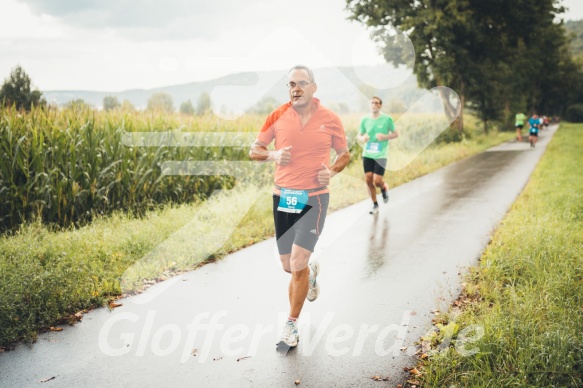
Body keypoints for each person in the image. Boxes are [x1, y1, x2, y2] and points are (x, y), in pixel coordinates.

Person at [249, 65, 350, 351]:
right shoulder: (277, 115)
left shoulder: (330, 119)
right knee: (287, 266)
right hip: (283, 197)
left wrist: (331, 171)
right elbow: (253, 150)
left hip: (314, 198)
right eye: (291, 84)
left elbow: (344, 154)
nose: (296, 88)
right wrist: (273, 154)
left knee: (296, 264)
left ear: (314, 87)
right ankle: (311, 273)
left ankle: (291, 325)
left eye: (302, 83)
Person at [357, 97, 399, 214]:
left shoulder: (386, 119)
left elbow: (396, 134)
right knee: (368, 180)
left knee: (377, 181)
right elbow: (359, 136)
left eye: (376, 103)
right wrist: (363, 138)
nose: (374, 105)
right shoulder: (364, 119)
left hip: (381, 154)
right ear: (370, 105)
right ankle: (375, 204)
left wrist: (385, 137)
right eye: (372, 103)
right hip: (368, 153)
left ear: (380, 106)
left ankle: (384, 187)